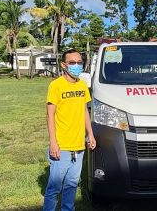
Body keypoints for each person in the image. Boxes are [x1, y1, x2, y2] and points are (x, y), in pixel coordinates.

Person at [43, 49, 96, 211]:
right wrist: (53, 143)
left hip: (79, 146)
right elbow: (50, 115)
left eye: (80, 63)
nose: (77, 66)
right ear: (63, 65)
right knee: (54, 188)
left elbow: (84, 111)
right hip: (62, 146)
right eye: (72, 63)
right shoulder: (56, 85)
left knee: (72, 185)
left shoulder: (82, 85)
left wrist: (90, 134)